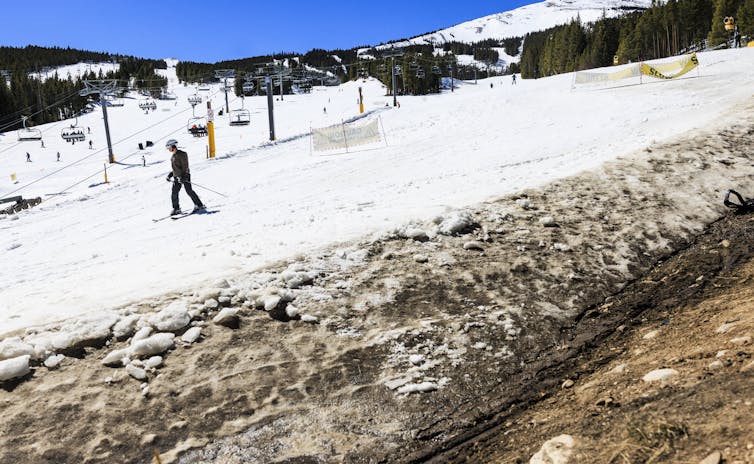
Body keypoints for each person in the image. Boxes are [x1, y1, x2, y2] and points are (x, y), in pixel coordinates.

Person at [165, 139, 205, 215]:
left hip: (184, 176)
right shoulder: (173, 156)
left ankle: (200, 205)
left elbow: (185, 166)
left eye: (169, 147)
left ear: (173, 146)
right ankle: (176, 209)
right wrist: (170, 175)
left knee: (189, 191)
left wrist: (184, 177)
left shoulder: (182, 154)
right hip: (176, 177)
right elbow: (175, 168)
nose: (168, 149)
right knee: (174, 193)